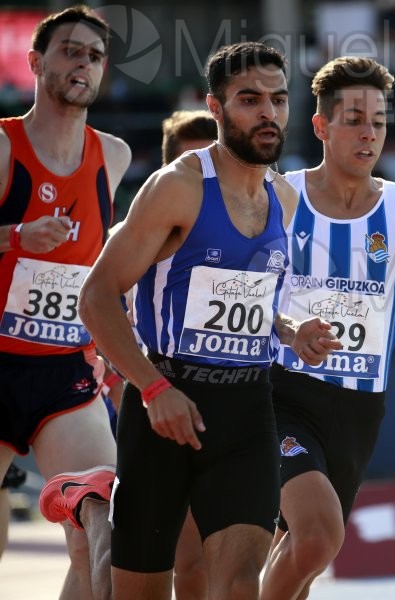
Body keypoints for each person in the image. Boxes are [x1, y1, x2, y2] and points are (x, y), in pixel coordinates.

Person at [77, 41, 339, 599]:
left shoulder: (284, 199)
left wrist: (296, 332)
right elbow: (96, 296)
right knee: (141, 589)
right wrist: (151, 387)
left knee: (239, 585)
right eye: (249, 100)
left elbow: (261, 307)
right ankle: (96, 511)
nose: (268, 113)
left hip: (247, 408)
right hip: (167, 407)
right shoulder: (178, 187)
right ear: (215, 108)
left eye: (277, 99)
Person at [259, 56, 395, 600]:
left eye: (379, 121)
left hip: (360, 406)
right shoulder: (279, 196)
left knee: (300, 553)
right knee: (319, 538)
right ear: (321, 126)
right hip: (284, 392)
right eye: (354, 119)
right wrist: (293, 329)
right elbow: (250, 296)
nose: (369, 133)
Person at [0, 6, 130, 599]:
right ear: (36, 63)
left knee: (105, 525)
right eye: (70, 50)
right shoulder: (2, 147)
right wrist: (14, 238)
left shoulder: (115, 157)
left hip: (63, 370)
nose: (84, 63)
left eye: (95, 56)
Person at [160, 108, 217, 600]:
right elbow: (99, 304)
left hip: (231, 406)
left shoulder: (255, 232)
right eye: (192, 162)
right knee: (180, 555)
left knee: (212, 556)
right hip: (154, 407)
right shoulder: (139, 239)